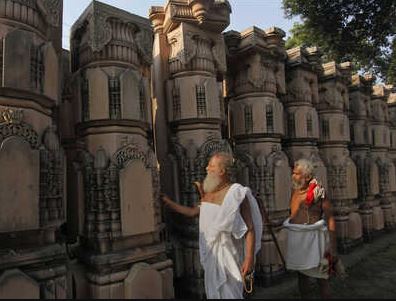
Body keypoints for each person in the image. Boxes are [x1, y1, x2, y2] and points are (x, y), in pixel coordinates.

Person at [161, 152, 263, 299]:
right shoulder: (208, 195)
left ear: (222, 171)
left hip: (230, 256)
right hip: (212, 256)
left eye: (212, 166)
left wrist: (249, 259)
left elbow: (250, 229)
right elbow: (192, 212)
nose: (207, 168)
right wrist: (168, 203)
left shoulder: (236, 193)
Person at [283, 158, 345, 299]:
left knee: (322, 280)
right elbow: (293, 215)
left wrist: (333, 249)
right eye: (293, 173)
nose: (294, 176)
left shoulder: (319, 192)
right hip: (298, 243)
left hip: (316, 243)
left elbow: (330, 219)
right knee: (302, 277)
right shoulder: (295, 191)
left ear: (308, 176)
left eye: (298, 174)